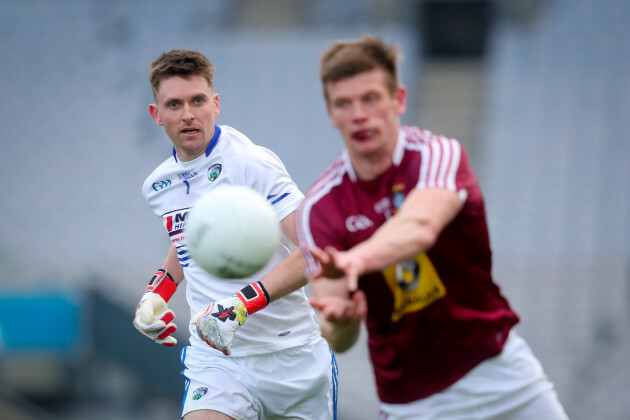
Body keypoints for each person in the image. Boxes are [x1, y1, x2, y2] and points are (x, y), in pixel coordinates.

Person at [294, 35, 569, 420]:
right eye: (344, 103)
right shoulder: (317, 210)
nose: (359, 114)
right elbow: (338, 335)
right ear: (331, 113)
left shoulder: (437, 155)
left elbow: (419, 227)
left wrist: (356, 260)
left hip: (500, 371)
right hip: (413, 402)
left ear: (399, 100)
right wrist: (340, 321)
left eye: (370, 98)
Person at [132, 49, 337, 420]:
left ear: (216, 103)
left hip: (291, 359)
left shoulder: (250, 163)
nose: (188, 114)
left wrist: (241, 305)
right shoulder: (157, 185)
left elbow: (317, 245)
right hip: (217, 360)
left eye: (197, 101)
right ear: (156, 115)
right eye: (174, 104)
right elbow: (190, 241)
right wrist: (155, 293)